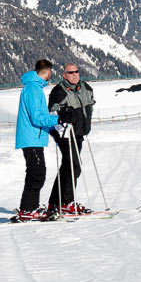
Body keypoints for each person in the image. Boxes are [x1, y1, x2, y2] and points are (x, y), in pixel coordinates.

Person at [13, 59, 67, 222]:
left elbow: (40, 116)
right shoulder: (32, 89)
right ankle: (28, 210)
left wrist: (54, 130)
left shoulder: (34, 87)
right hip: (31, 138)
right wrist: (58, 120)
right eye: (50, 71)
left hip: (34, 137)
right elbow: (37, 117)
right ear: (47, 71)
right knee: (36, 173)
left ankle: (29, 208)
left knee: (37, 172)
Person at [46, 63, 95, 216]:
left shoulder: (86, 88)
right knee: (74, 166)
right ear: (64, 75)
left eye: (76, 71)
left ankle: (54, 203)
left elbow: (90, 105)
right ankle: (66, 203)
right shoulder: (59, 91)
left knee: (68, 166)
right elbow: (52, 110)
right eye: (71, 72)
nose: (74, 74)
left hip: (79, 133)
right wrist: (63, 111)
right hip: (65, 133)